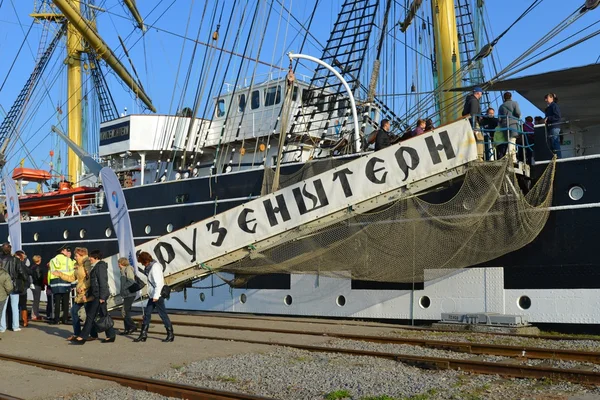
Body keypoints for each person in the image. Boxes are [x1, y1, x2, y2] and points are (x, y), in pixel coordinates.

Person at [72, 250, 114, 344]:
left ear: (96, 258)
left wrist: (102, 297)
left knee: (91, 316)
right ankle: (111, 335)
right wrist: (88, 295)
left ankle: (83, 337)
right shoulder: (96, 267)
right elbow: (94, 284)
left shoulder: (100, 266)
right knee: (103, 315)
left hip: (99, 295)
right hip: (97, 295)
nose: (89, 258)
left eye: (91, 257)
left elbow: (103, 282)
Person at [51, 248, 91, 340]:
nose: (74, 257)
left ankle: (92, 334)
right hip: (80, 293)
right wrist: (60, 274)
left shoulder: (87, 263)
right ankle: (77, 333)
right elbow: (72, 278)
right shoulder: (78, 264)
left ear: (82, 255)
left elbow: (90, 278)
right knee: (73, 311)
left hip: (87, 293)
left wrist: (83, 287)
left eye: (76, 255)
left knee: (90, 314)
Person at [134, 251, 174, 343]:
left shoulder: (155, 267)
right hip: (153, 295)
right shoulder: (150, 266)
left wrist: (156, 296)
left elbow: (158, 283)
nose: (142, 265)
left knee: (162, 314)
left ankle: (170, 334)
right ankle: (143, 334)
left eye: (142, 262)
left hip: (157, 295)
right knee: (147, 313)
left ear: (146, 261)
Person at [0, 243, 28, 332]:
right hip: (14, 284)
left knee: (2, 307)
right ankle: (15, 326)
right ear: (10, 250)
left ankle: (2, 327)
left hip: (2, 284)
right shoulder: (15, 260)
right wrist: (25, 279)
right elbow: (21, 271)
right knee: (15, 306)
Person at [47, 245, 75, 325]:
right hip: (65, 282)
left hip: (55, 283)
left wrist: (50, 284)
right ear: (62, 251)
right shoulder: (68, 260)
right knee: (66, 302)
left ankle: (56, 319)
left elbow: (50, 272)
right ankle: (65, 319)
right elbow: (71, 272)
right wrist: (73, 285)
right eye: (66, 250)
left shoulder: (52, 260)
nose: (67, 252)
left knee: (57, 302)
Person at [498, 92, 521, 163]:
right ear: (511, 97)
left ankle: (514, 158)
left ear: (504, 98)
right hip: (513, 125)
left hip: (504, 126)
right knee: (512, 141)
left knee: (510, 141)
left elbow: (499, 119)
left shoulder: (501, 106)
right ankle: (508, 157)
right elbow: (518, 113)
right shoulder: (515, 103)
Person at [462, 87, 484, 159]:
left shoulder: (469, 100)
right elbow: (473, 114)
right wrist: (474, 126)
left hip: (468, 123)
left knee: (473, 140)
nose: (481, 96)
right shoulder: (474, 101)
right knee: (479, 139)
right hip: (474, 124)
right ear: (478, 93)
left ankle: (474, 156)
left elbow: (464, 113)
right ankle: (479, 156)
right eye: (481, 94)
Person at [118, 257, 138, 335]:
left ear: (122, 263)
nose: (118, 265)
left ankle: (132, 326)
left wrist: (124, 288)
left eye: (119, 263)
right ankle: (127, 329)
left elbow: (131, 281)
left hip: (130, 294)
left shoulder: (128, 269)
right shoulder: (122, 271)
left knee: (124, 311)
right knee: (126, 311)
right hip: (127, 294)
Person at [14, 251, 33, 327]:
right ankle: (25, 321)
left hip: (14, 286)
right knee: (23, 304)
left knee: (15, 304)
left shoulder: (12, 264)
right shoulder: (22, 264)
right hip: (22, 287)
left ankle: (15, 321)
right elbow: (29, 272)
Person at [544, 93, 562, 159]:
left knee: (555, 142)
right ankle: (555, 157)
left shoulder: (554, 106)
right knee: (552, 143)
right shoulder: (550, 107)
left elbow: (558, 116)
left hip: (554, 127)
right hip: (551, 127)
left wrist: (548, 118)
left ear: (551, 98)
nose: (545, 100)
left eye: (547, 98)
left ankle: (558, 157)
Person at [29, 255, 44, 321]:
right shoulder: (37, 268)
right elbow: (39, 278)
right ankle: (34, 315)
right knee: (36, 300)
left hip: (33, 285)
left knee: (36, 300)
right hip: (37, 285)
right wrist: (42, 284)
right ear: (39, 260)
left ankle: (35, 314)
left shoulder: (32, 267)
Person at [0, 266, 14, 334]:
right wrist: (7, 293)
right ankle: (2, 327)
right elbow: (9, 287)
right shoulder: (5, 274)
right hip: (2, 296)